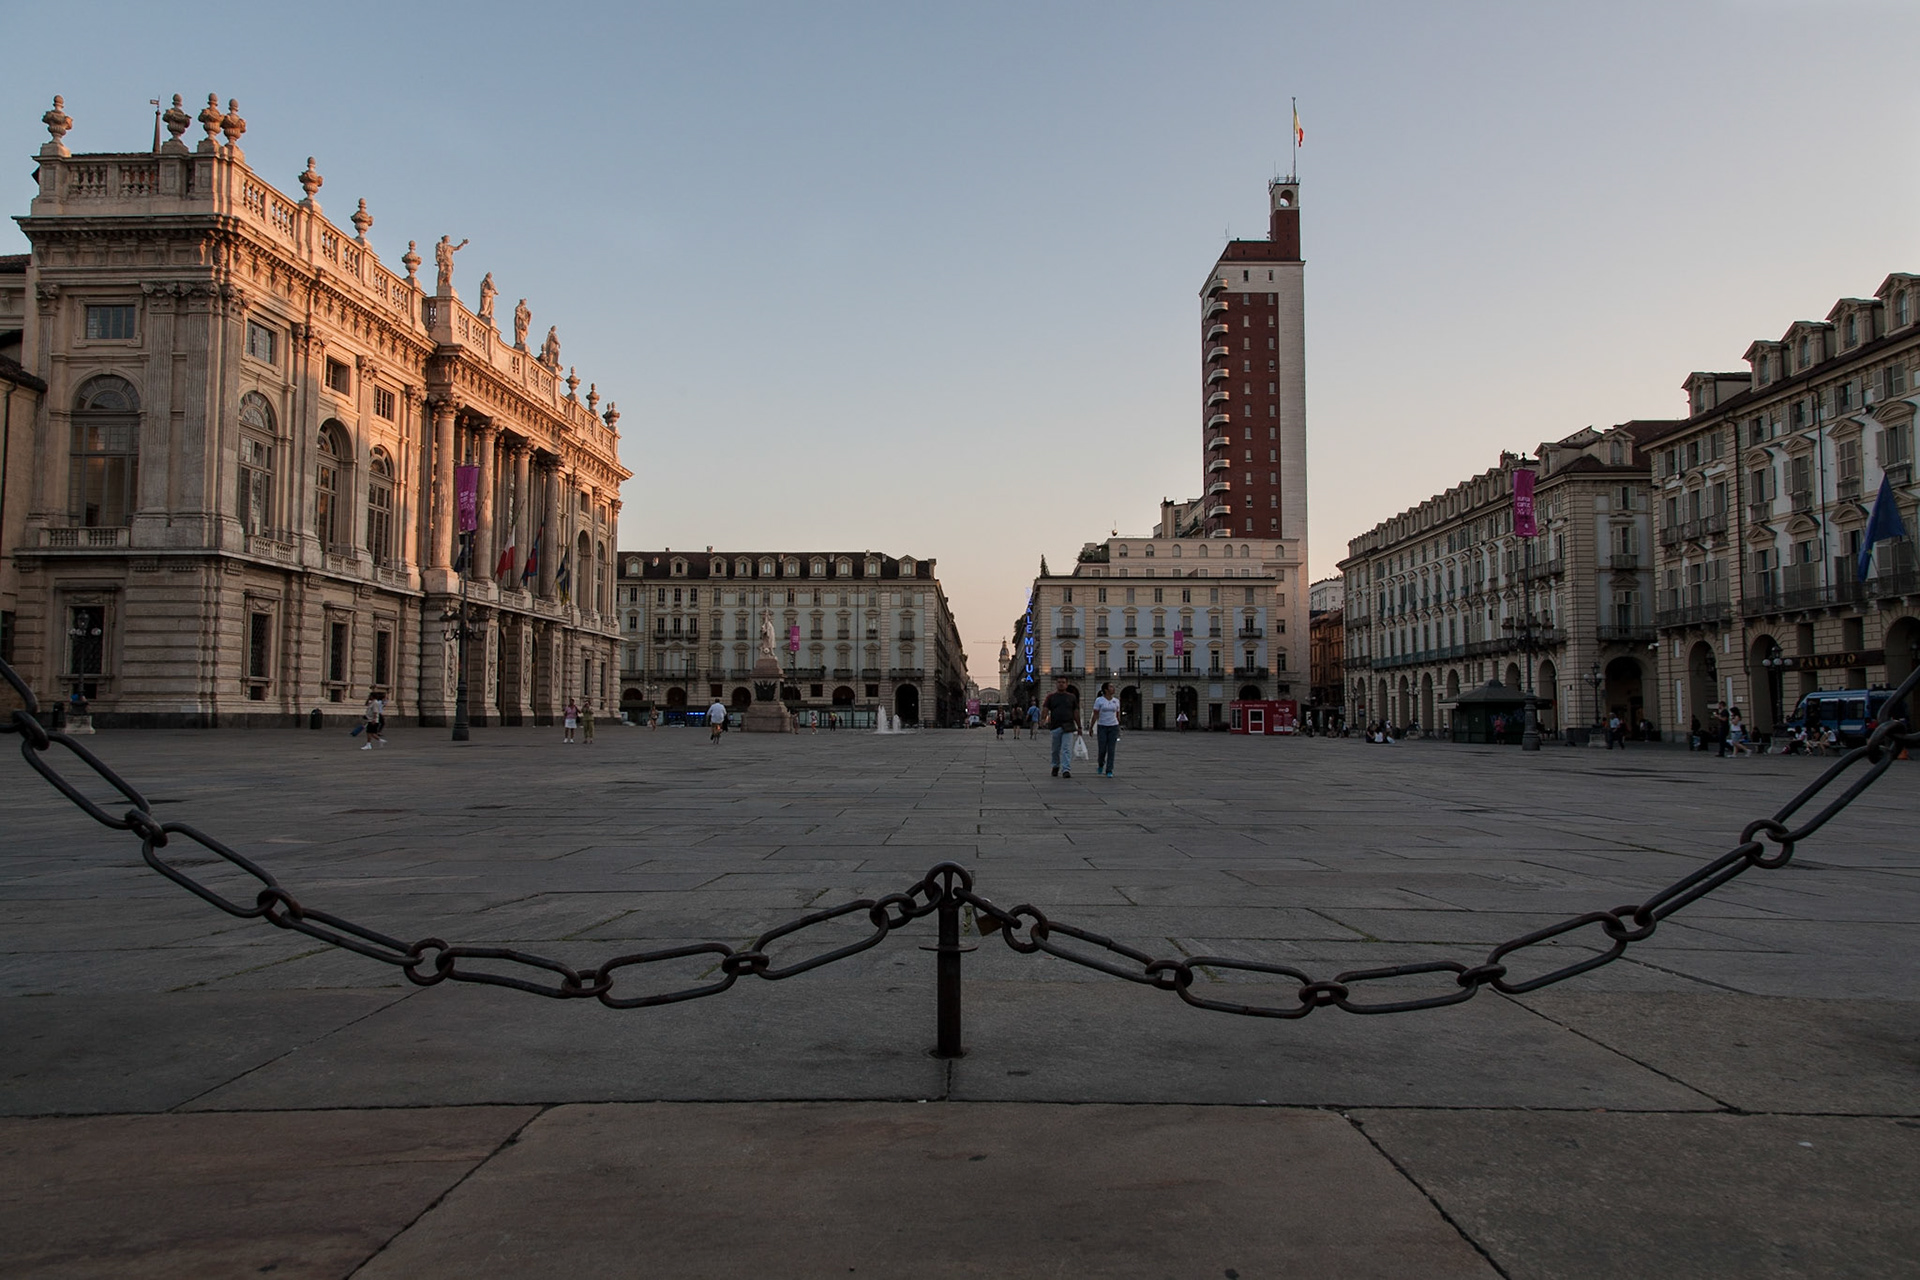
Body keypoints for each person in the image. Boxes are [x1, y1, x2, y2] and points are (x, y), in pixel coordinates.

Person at [1039, 676, 1081, 778]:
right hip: (1055, 726)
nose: (1061, 684)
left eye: (1063, 682)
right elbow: (1045, 708)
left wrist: (1079, 726)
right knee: (1055, 749)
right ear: (1056, 684)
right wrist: (1042, 719)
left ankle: (1066, 769)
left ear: (1067, 684)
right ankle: (1055, 765)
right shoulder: (1051, 697)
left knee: (1066, 748)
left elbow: (1076, 712)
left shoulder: (1072, 697)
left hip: (1068, 726)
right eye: (1059, 682)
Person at [1092, 681, 1121, 777]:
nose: (1113, 688)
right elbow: (1095, 714)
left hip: (1113, 726)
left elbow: (1117, 714)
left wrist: (1118, 727)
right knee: (1102, 749)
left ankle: (1109, 770)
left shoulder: (1116, 701)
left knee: (1111, 749)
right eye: (1111, 687)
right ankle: (1101, 764)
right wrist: (1091, 727)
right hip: (1102, 726)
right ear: (1106, 690)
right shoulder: (1099, 700)